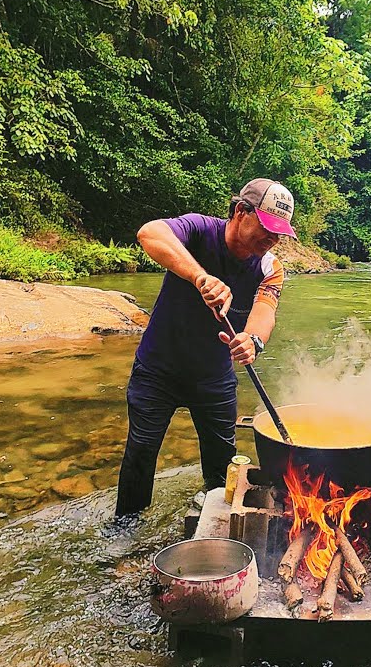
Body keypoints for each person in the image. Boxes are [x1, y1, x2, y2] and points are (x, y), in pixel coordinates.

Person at [115, 178, 294, 516]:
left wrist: (252, 341)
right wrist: (200, 277)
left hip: (214, 377)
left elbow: (264, 311)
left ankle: (217, 524)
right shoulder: (199, 230)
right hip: (158, 369)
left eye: (279, 233)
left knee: (222, 462)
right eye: (267, 228)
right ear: (242, 212)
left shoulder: (270, 267)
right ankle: (126, 531)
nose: (272, 239)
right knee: (140, 452)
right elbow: (149, 233)